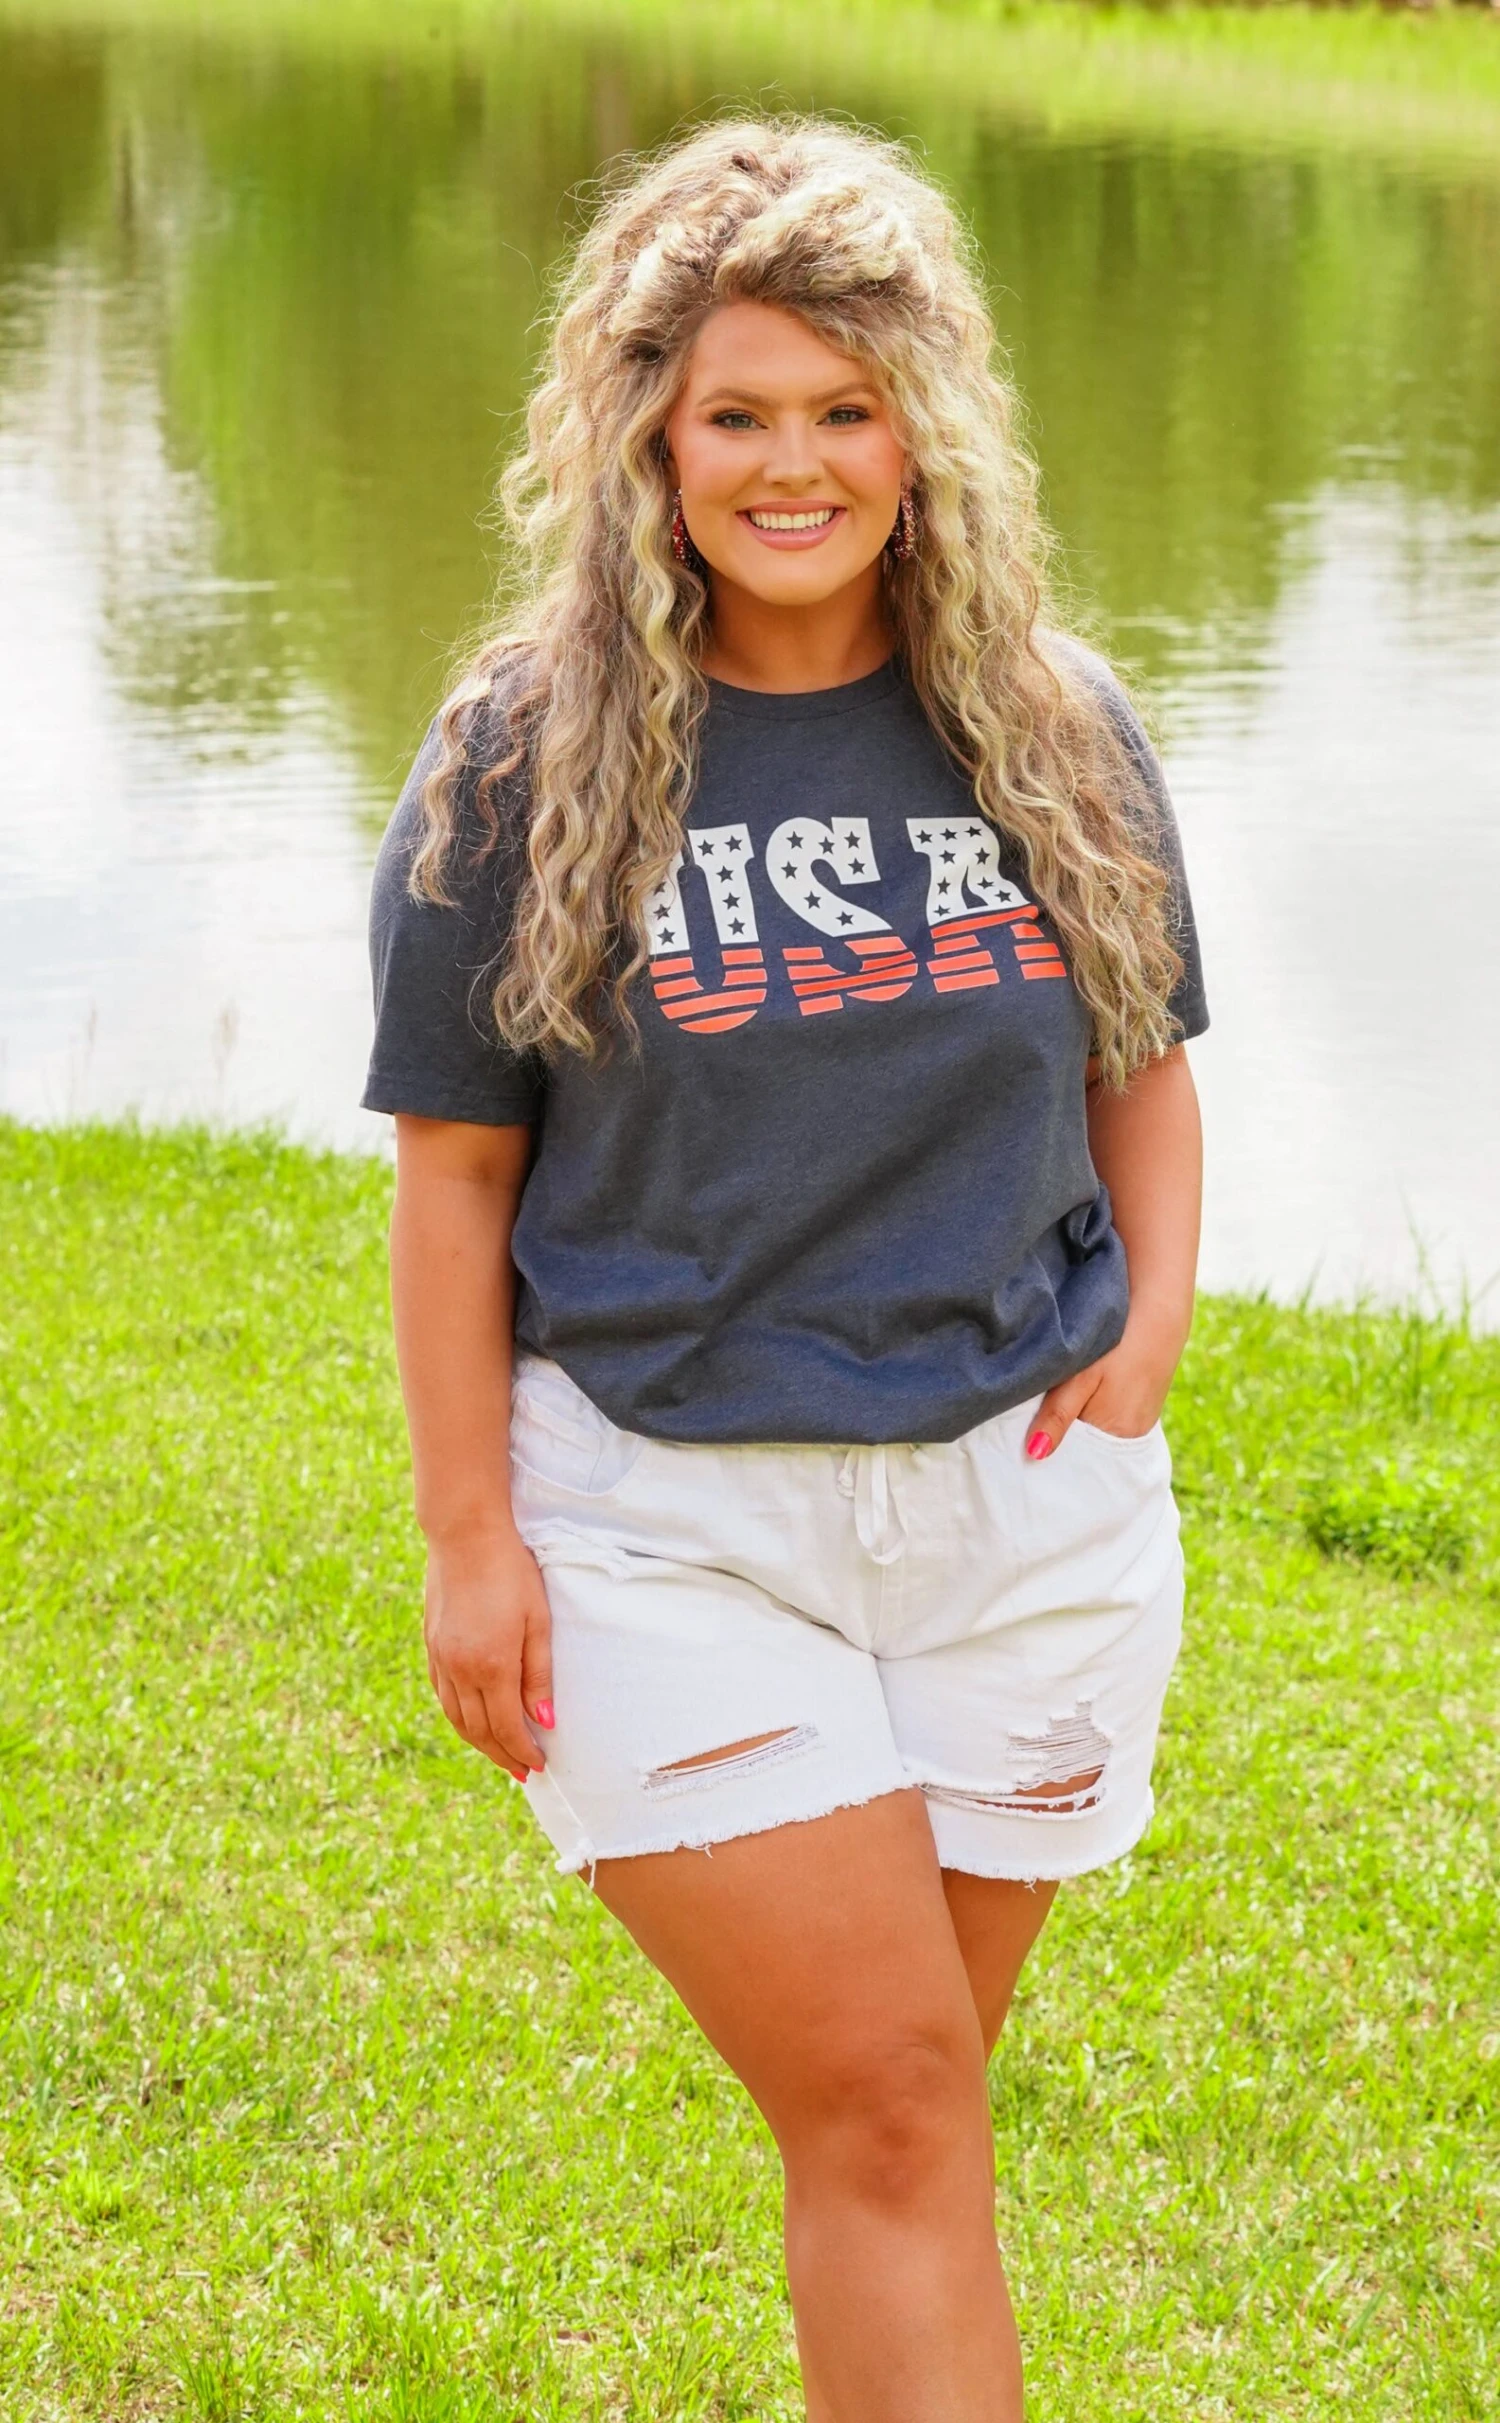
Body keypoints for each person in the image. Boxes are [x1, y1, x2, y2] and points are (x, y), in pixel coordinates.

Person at [362, 114, 1206, 2423]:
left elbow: (1141, 1069)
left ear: (926, 426)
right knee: (897, 2111)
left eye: (847, 407)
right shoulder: (522, 758)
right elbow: (455, 1177)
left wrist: (1149, 1329)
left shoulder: (1053, 724)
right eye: (737, 412)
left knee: (903, 2119)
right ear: (647, 430)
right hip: (668, 1521)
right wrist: (469, 1537)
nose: (795, 464)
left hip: (1025, 1523)